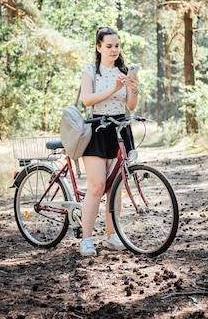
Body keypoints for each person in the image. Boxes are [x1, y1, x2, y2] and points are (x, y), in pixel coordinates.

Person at [78, 26, 140, 257]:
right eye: (109, 46)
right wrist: (114, 88)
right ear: (99, 47)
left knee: (116, 186)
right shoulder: (91, 71)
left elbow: (130, 106)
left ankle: (113, 236)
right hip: (97, 129)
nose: (114, 50)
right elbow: (86, 100)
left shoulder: (125, 71)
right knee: (96, 187)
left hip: (121, 129)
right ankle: (86, 239)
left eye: (117, 46)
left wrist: (133, 89)